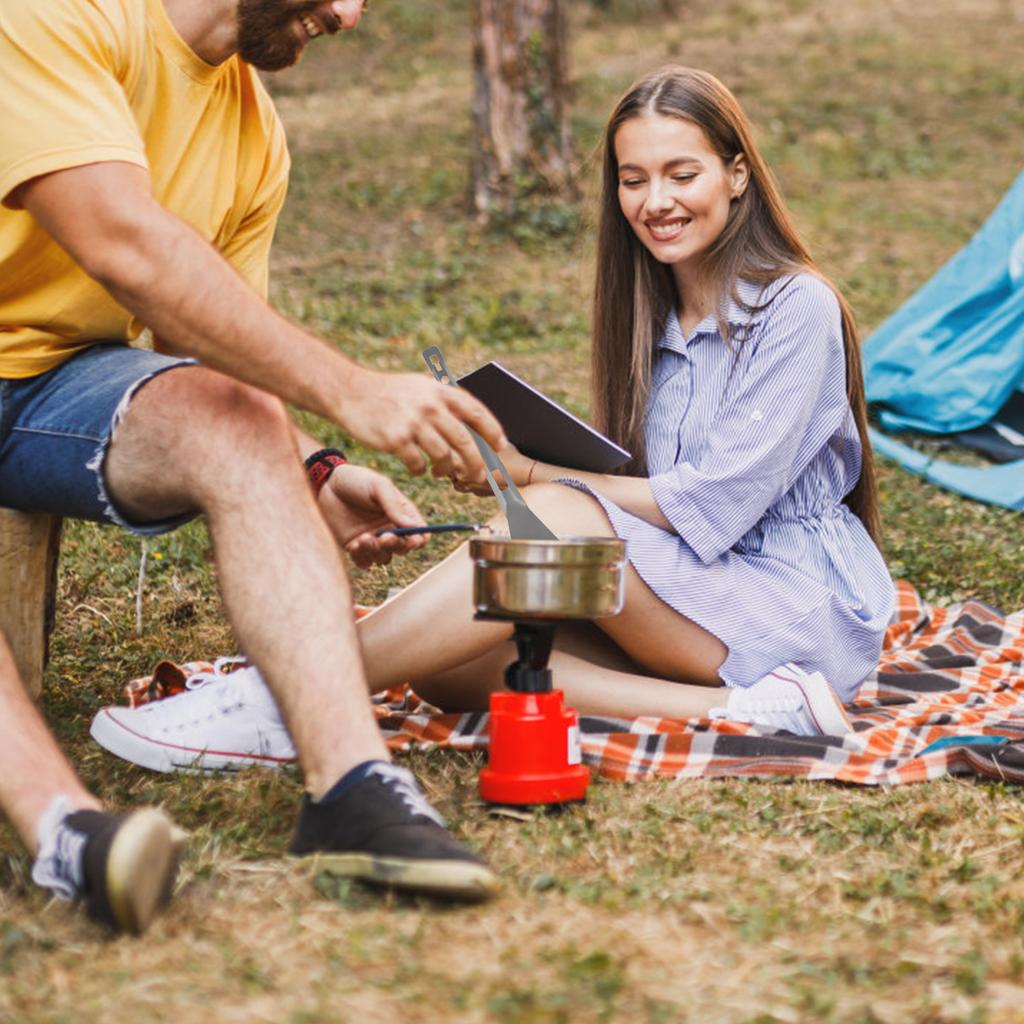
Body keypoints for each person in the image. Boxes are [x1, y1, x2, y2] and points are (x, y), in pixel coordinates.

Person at [0, 0, 506, 931]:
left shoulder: (252, 133)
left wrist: (311, 464)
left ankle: (353, 786)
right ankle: (68, 833)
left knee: (236, 417)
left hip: (44, 390)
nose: (349, 14)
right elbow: (121, 243)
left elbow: (219, 342)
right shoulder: (55, 14)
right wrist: (352, 389)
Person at [349, 65, 897, 732]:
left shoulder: (795, 307)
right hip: (693, 589)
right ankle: (750, 709)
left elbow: (711, 501)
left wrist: (529, 476)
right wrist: (505, 462)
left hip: (791, 602)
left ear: (737, 175)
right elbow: (637, 493)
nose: (655, 201)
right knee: (446, 663)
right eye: (633, 180)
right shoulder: (648, 321)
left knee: (560, 511)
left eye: (681, 174)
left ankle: (291, 687)